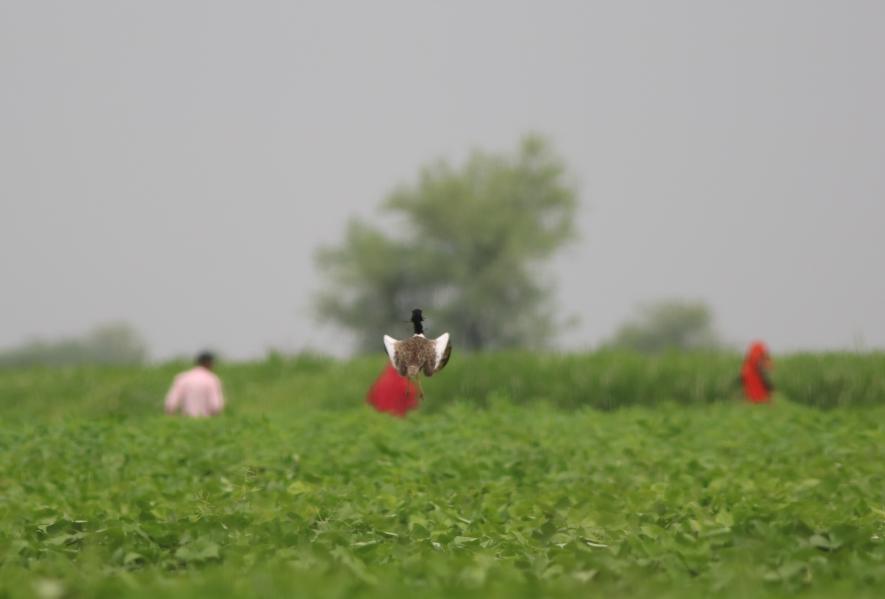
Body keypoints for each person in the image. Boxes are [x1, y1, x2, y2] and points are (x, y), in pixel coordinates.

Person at [164, 351, 225, 417]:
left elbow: (171, 403)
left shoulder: (182, 378)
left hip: (185, 421)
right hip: (205, 421)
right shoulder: (212, 379)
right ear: (209, 363)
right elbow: (216, 405)